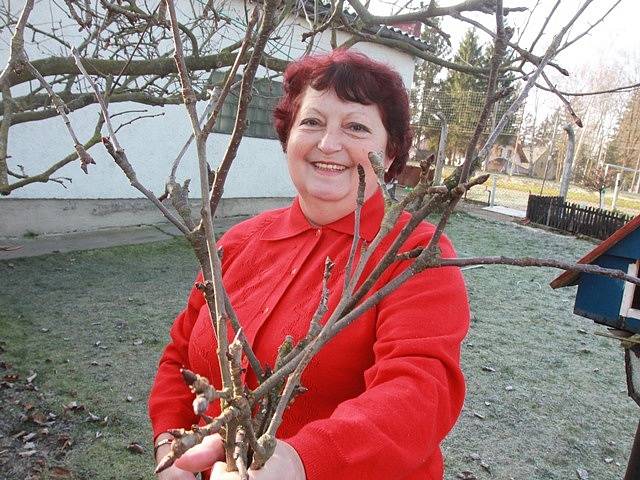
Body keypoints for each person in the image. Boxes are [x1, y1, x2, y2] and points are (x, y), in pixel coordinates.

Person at [149, 49, 469, 480]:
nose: (328, 144)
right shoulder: (237, 243)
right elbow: (179, 357)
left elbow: (419, 392)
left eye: (355, 126)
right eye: (312, 122)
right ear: (289, 137)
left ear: (390, 153)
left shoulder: (414, 254)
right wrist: (172, 447)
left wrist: (302, 462)